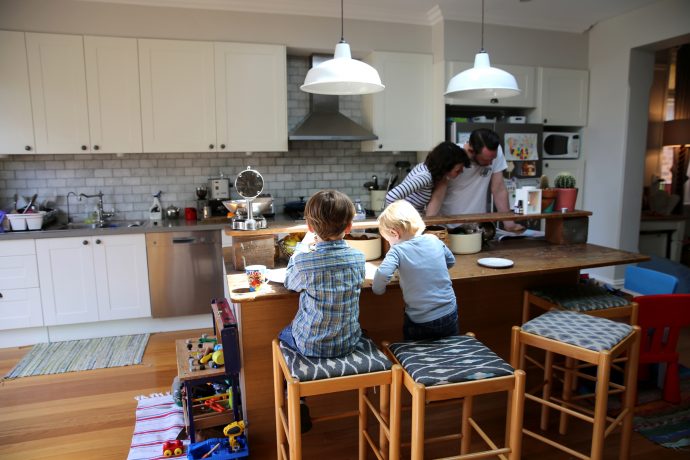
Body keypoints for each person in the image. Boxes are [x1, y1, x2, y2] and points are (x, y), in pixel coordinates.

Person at [279, 189, 366, 358]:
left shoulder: (303, 262)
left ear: (310, 228)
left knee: (283, 334)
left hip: (310, 345)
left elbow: (289, 282)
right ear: (349, 227)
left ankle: (292, 381)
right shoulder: (359, 258)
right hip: (348, 343)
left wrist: (302, 247)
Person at [372, 200, 458, 341]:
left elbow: (382, 274)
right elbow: (450, 261)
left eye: (388, 240)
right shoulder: (433, 239)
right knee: (449, 347)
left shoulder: (397, 250)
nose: (389, 243)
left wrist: (378, 290)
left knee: (416, 349)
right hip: (449, 312)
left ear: (394, 233)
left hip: (421, 320)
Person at [427, 128, 524, 232]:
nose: (491, 163)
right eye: (487, 160)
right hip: (451, 228)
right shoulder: (453, 158)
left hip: (478, 227)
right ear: (471, 151)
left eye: (493, 159)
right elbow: (438, 196)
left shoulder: (493, 152)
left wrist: (509, 224)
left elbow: (499, 189)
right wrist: (429, 226)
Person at [385, 141, 470, 213]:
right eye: (458, 170)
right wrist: (402, 220)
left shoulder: (425, 168)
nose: (461, 172)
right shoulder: (425, 177)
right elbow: (391, 196)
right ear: (446, 166)